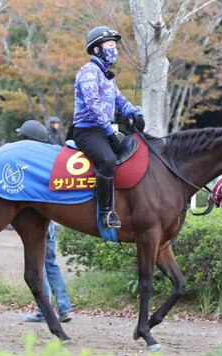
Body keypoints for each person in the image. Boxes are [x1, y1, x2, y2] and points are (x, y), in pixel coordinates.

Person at [72, 26, 145, 229]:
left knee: (133, 151)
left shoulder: (106, 76)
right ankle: (105, 213)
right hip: (87, 131)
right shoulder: (88, 72)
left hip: (105, 130)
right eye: (110, 45)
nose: (115, 49)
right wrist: (109, 131)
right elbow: (93, 105)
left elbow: (120, 100)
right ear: (97, 50)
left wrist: (135, 113)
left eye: (115, 45)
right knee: (108, 159)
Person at [16, 120, 73, 323]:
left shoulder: (32, 163)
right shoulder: (49, 160)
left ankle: (45, 310)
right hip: (49, 220)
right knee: (50, 264)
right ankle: (63, 308)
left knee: (40, 266)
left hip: (39, 222)